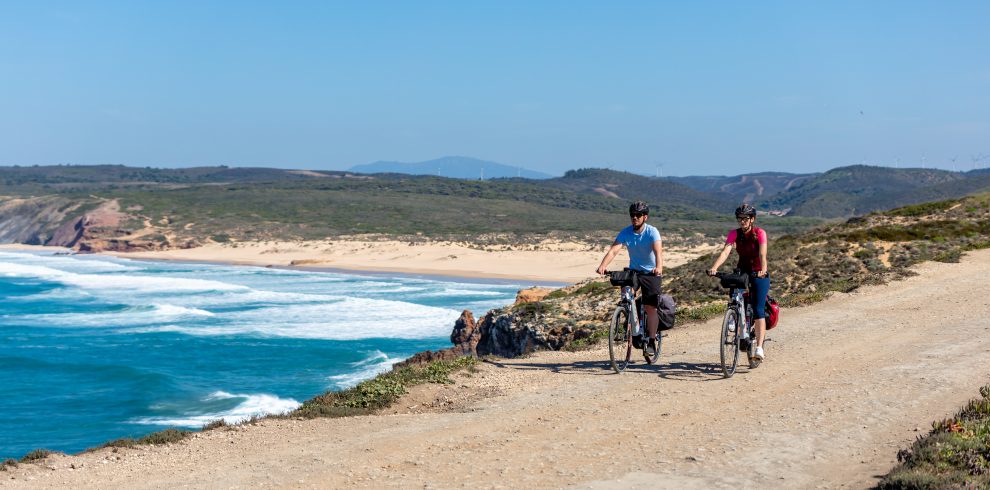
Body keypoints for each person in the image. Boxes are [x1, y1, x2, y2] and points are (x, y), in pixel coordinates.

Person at [596, 201, 664, 355]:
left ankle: (652, 340)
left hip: (651, 273)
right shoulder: (626, 232)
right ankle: (631, 322)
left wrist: (658, 267)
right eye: (632, 215)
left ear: (645, 217)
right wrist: (603, 265)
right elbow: (614, 250)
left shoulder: (652, 232)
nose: (634, 218)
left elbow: (658, 252)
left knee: (650, 307)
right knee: (626, 296)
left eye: (638, 215)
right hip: (634, 272)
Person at [707, 204, 771, 362]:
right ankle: (734, 317)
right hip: (742, 271)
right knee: (735, 296)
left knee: (757, 310)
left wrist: (763, 269)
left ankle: (759, 348)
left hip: (758, 272)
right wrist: (714, 267)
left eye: (745, 219)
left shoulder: (759, 233)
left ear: (752, 219)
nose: (742, 221)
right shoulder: (734, 234)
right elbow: (726, 251)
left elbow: (763, 254)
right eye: (740, 219)